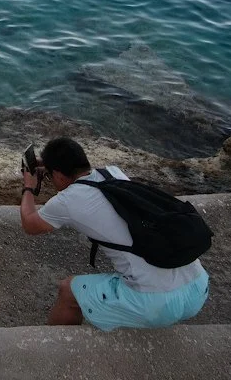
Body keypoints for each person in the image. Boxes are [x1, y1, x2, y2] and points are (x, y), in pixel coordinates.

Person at [19, 136, 209, 331]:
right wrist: (51, 166)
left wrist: (28, 187)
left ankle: (50, 351)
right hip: (197, 289)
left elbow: (30, 224)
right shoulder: (112, 172)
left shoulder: (67, 201)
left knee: (68, 291)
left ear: (58, 175)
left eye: (50, 176)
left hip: (155, 304)